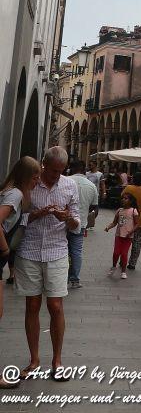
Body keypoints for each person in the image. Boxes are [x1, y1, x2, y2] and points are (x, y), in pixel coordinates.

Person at [15, 147, 80, 380]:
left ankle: (57, 361)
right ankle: (34, 360)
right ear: (44, 165)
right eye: (52, 171)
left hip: (57, 251)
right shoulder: (30, 184)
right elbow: (16, 217)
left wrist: (67, 218)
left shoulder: (69, 186)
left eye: (60, 171)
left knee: (55, 306)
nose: (55, 176)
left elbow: (77, 224)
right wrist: (36, 214)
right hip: (29, 250)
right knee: (32, 305)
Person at [0, 157, 41, 389]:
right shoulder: (15, 194)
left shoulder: (10, 191)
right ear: (27, 176)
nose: (37, 181)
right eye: (35, 177)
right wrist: (5, 249)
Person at [66, 161, 98, 290]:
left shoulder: (65, 181)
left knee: (61, 250)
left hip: (61, 222)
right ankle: (74, 279)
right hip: (81, 223)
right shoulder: (91, 186)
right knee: (76, 251)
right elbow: (94, 207)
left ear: (71, 169)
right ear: (84, 170)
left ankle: (61, 277)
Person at [121, 172, 141, 271]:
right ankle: (132, 263)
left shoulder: (128, 188)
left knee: (124, 239)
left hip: (128, 216)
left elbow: (122, 197)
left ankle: (122, 260)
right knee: (137, 241)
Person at [104, 193, 138, 279]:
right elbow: (115, 222)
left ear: (130, 201)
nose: (123, 200)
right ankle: (114, 266)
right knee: (116, 253)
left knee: (124, 254)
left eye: (126, 198)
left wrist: (131, 231)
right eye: (122, 198)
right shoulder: (119, 210)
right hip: (119, 235)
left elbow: (137, 224)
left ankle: (123, 271)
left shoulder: (133, 211)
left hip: (128, 237)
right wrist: (108, 227)